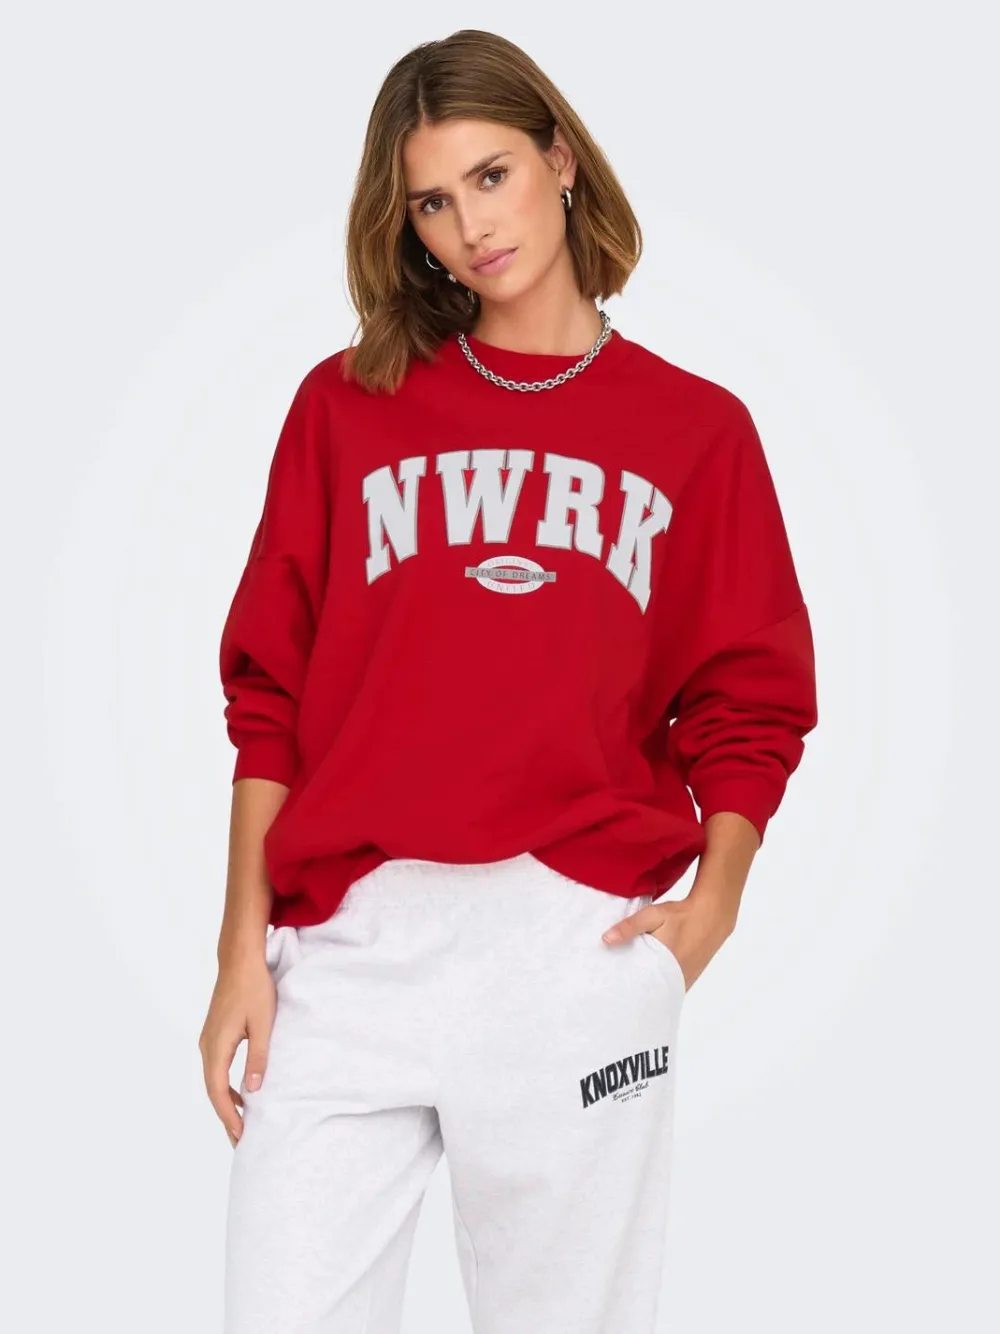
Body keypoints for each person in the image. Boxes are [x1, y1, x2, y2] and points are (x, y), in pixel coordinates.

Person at [198, 27, 819, 1334]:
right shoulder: (346, 408)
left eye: (491, 176)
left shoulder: (697, 432)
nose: (471, 226)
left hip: (571, 946)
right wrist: (239, 949)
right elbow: (270, 694)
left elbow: (748, 697)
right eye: (432, 202)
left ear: (561, 159)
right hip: (350, 949)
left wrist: (715, 901)